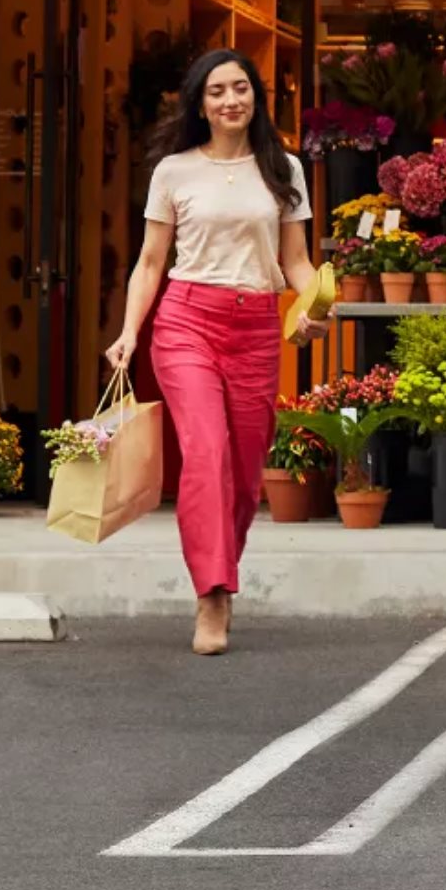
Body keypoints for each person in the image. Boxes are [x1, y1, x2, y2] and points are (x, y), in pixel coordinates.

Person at [108, 49, 326, 655]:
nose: (231, 100)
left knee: (243, 471)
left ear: (256, 96)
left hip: (256, 327)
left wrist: (310, 307)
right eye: (216, 91)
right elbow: (151, 261)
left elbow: (296, 261)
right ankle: (212, 595)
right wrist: (130, 332)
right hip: (186, 324)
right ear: (199, 104)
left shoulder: (282, 169)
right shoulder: (174, 171)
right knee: (205, 453)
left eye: (241, 88)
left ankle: (221, 575)